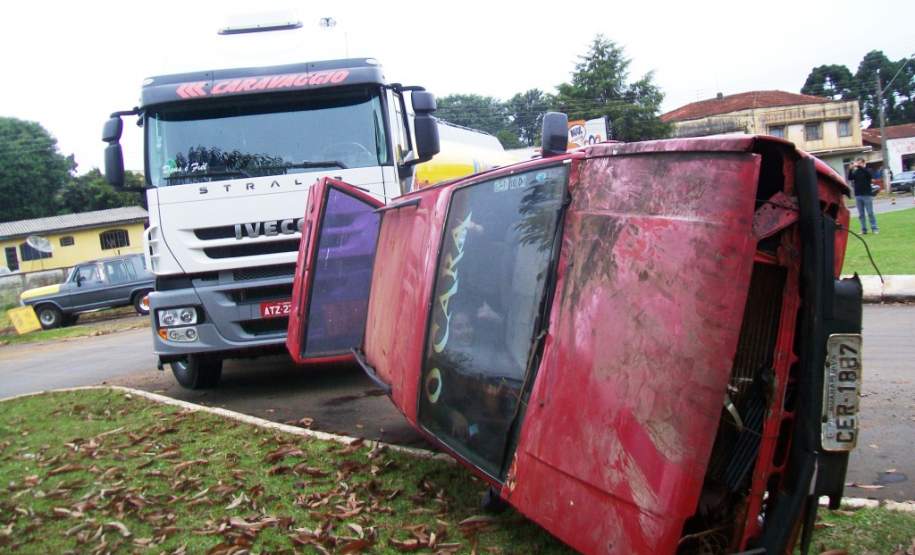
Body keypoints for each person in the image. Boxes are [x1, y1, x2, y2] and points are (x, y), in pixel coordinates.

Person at [848, 158, 879, 235]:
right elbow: (850, 178)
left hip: (867, 194)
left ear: (863, 163)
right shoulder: (856, 172)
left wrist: (858, 166)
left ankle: (874, 228)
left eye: (860, 163)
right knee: (861, 214)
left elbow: (869, 175)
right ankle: (864, 229)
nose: (858, 164)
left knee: (870, 213)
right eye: (857, 163)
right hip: (858, 195)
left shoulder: (867, 170)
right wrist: (850, 170)